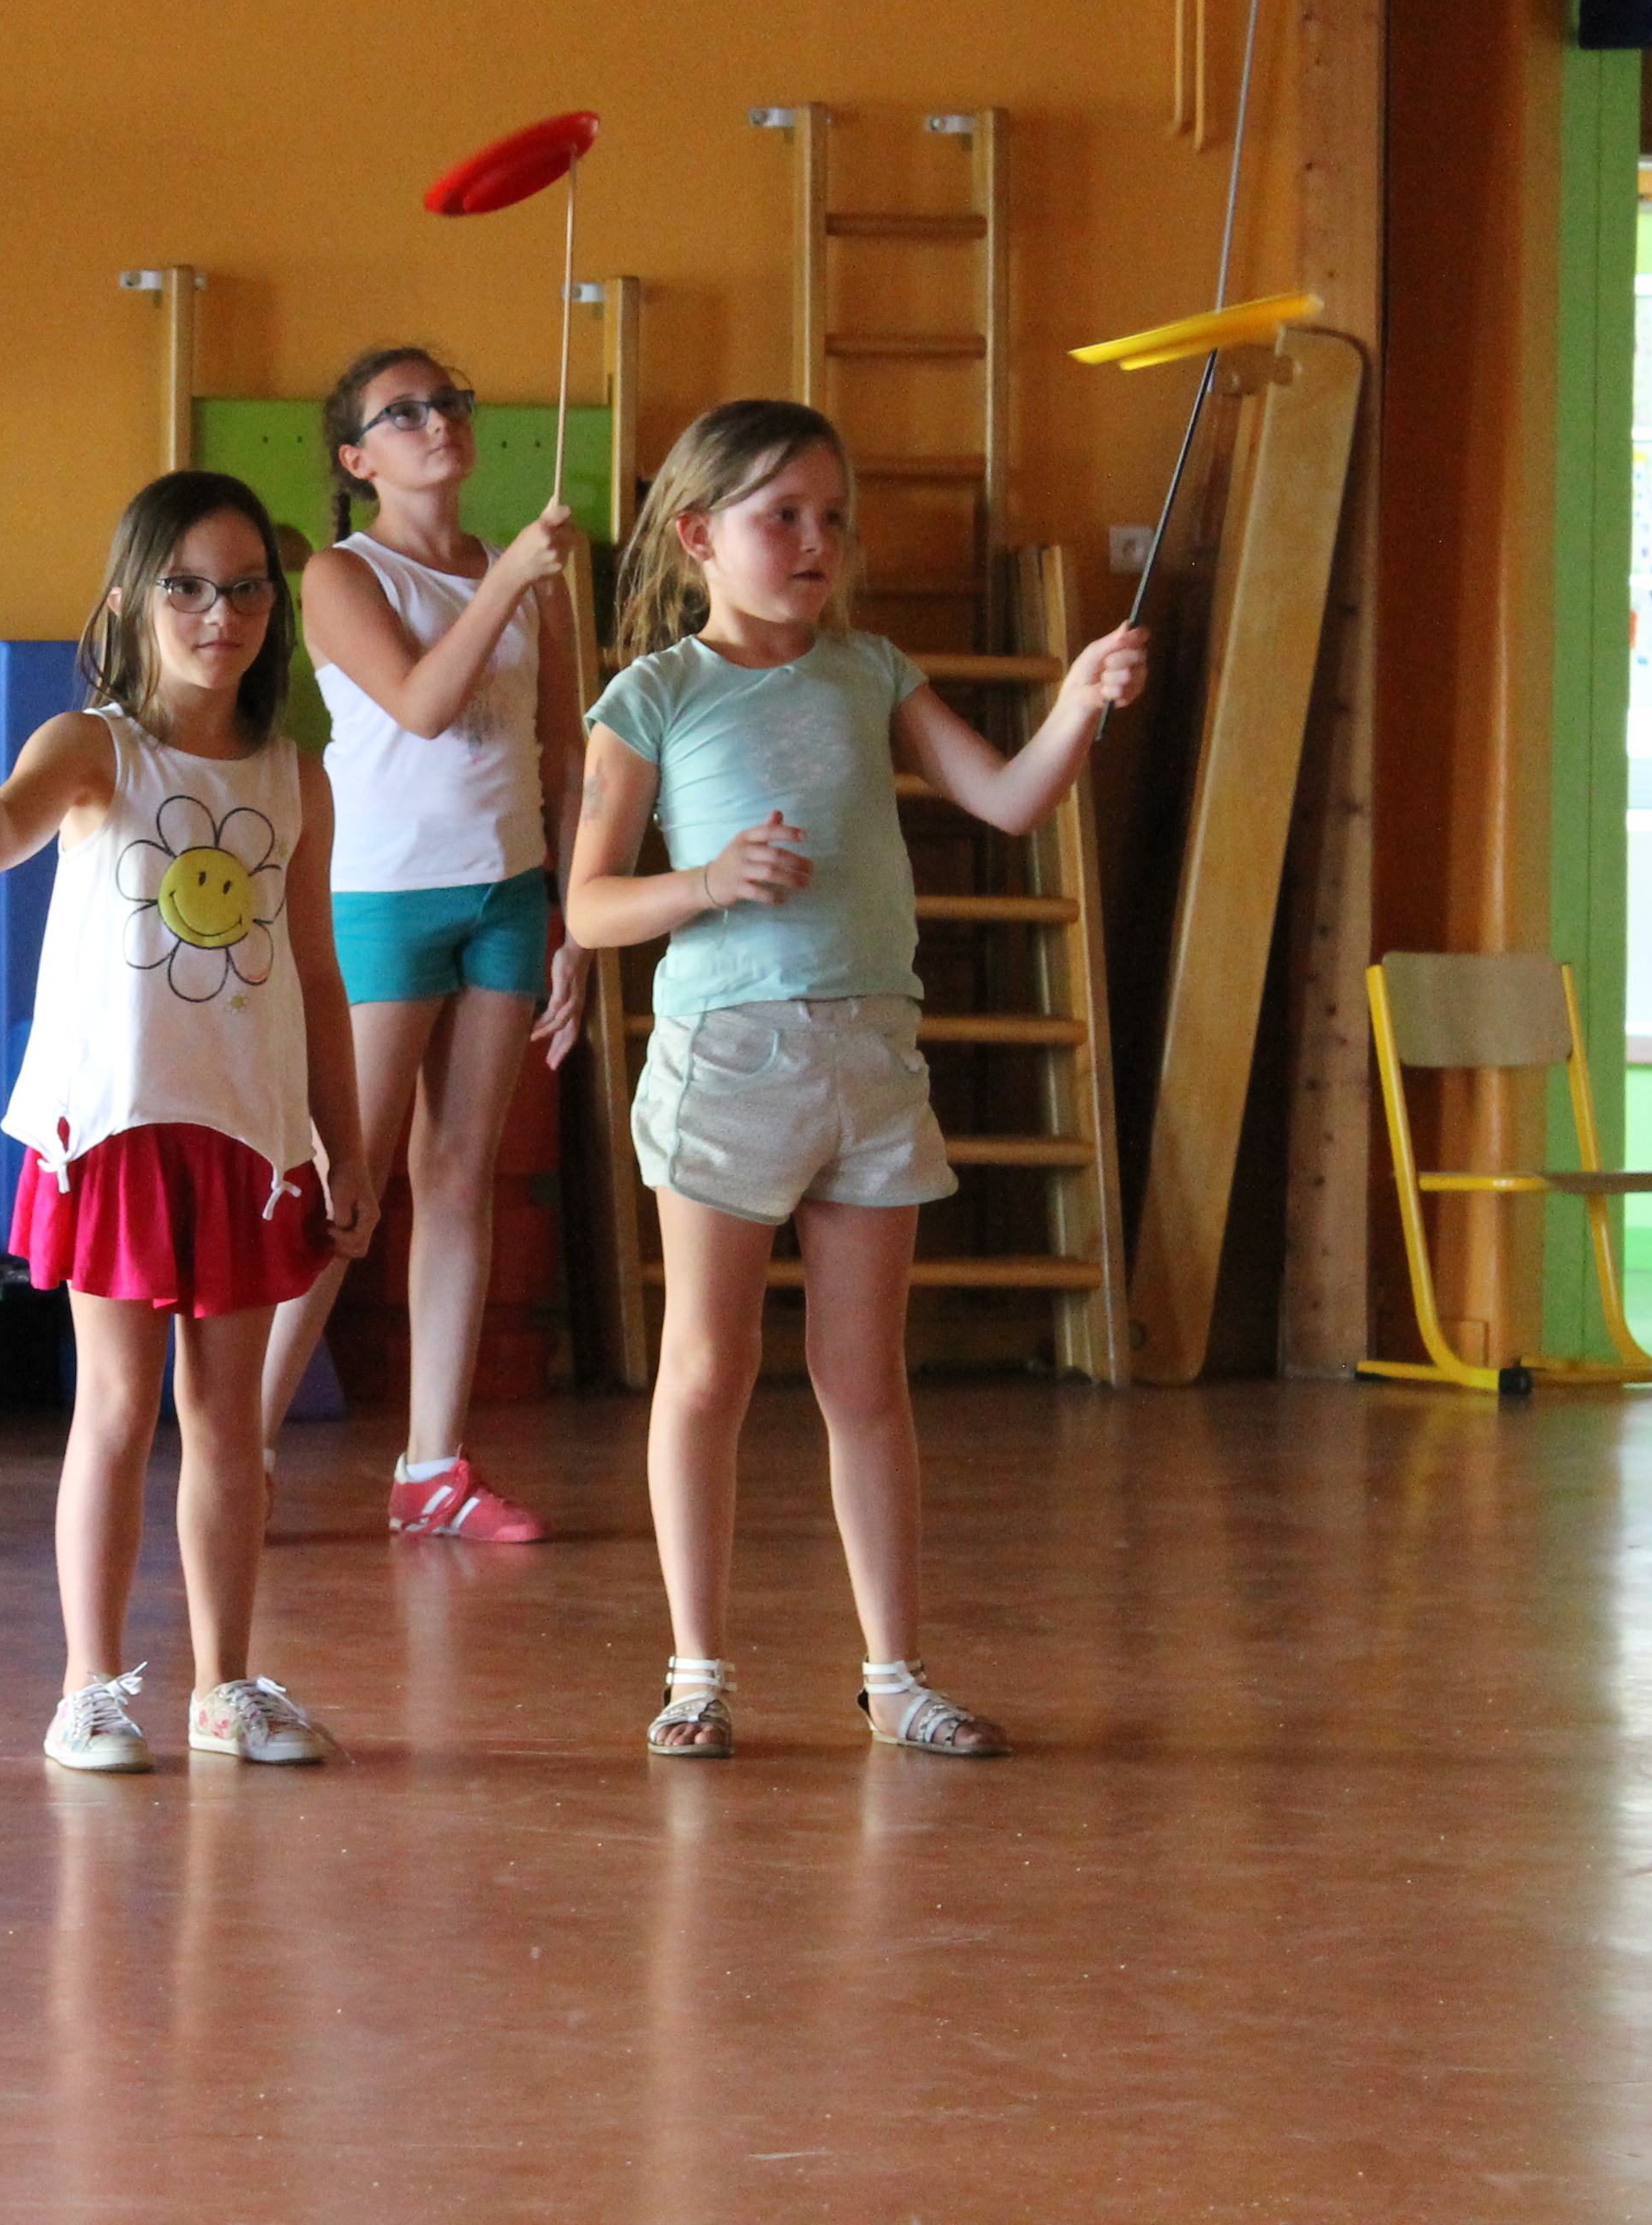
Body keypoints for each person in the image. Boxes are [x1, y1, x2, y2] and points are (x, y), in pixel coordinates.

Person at [564, 399, 1145, 1760]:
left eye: (832, 516)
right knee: (707, 1369)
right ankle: (696, 1676)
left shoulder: (874, 670)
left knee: (865, 1378)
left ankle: (896, 1677)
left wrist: (1075, 703)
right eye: (782, 516)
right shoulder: (654, 695)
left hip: (874, 1058)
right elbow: (588, 907)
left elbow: (1009, 799)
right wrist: (707, 882)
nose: (816, 540)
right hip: (728, 1062)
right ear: (699, 536)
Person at [0, 471, 371, 1774]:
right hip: (112, 1131)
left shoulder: (297, 776)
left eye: (245, 589)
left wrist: (345, 1145)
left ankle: (225, 1687)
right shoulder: (92, 746)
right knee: (113, 1409)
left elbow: (317, 975)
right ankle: (89, 1689)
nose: (219, 614)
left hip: (248, 1140)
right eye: (187, 588)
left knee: (226, 1420)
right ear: (130, 603)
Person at [256, 348, 589, 1543]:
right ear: (358, 458)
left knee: (458, 1176)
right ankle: (241, 1449)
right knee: (344, 1185)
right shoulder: (341, 574)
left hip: (508, 895)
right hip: (384, 898)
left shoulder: (527, 576)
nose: (436, 420)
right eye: (402, 413)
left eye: (448, 400)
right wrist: (509, 583)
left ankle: (433, 1467)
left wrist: (573, 917)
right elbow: (421, 704)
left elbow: (566, 749)